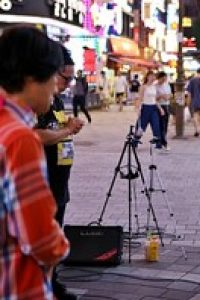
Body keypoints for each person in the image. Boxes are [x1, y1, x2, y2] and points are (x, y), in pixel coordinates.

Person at [0, 25, 69, 300]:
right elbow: (40, 235)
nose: (56, 86)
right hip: (18, 284)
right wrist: (59, 249)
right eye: (54, 75)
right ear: (31, 77)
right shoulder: (20, 139)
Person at [35, 45, 84, 299]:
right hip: (42, 182)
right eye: (67, 78)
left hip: (59, 179)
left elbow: (54, 123)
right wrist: (65, 131)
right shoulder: (35, 101)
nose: (69, 84)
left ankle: (51, 282)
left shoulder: (53, 99)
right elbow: (36, 135)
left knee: (55, 231)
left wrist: (68, 123)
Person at [136, 71, 167, 149]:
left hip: (153, 108)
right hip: (145, 107)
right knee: (142, 126)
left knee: (156, 125)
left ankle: (158, 144)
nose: (152, 78)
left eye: (153, 76)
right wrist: (138, 109)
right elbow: (140, 99)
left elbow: (155, 99)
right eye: (151, 76)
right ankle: (135, 141)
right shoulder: (143, 87)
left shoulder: (154, 87)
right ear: (147, 77)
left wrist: (160, 109)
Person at [156, 71, 172, 150]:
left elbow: (170, 94)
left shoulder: (167, 85)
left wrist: (167, 97)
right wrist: (161, 96)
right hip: (159, 106)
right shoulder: (155, 86)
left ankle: (162, 140)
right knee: (160, 125)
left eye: (165, 79)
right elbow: (154, 98)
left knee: (165, 125)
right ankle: (162, 142)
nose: (163, 80)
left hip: (166, 105)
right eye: (162, 79)